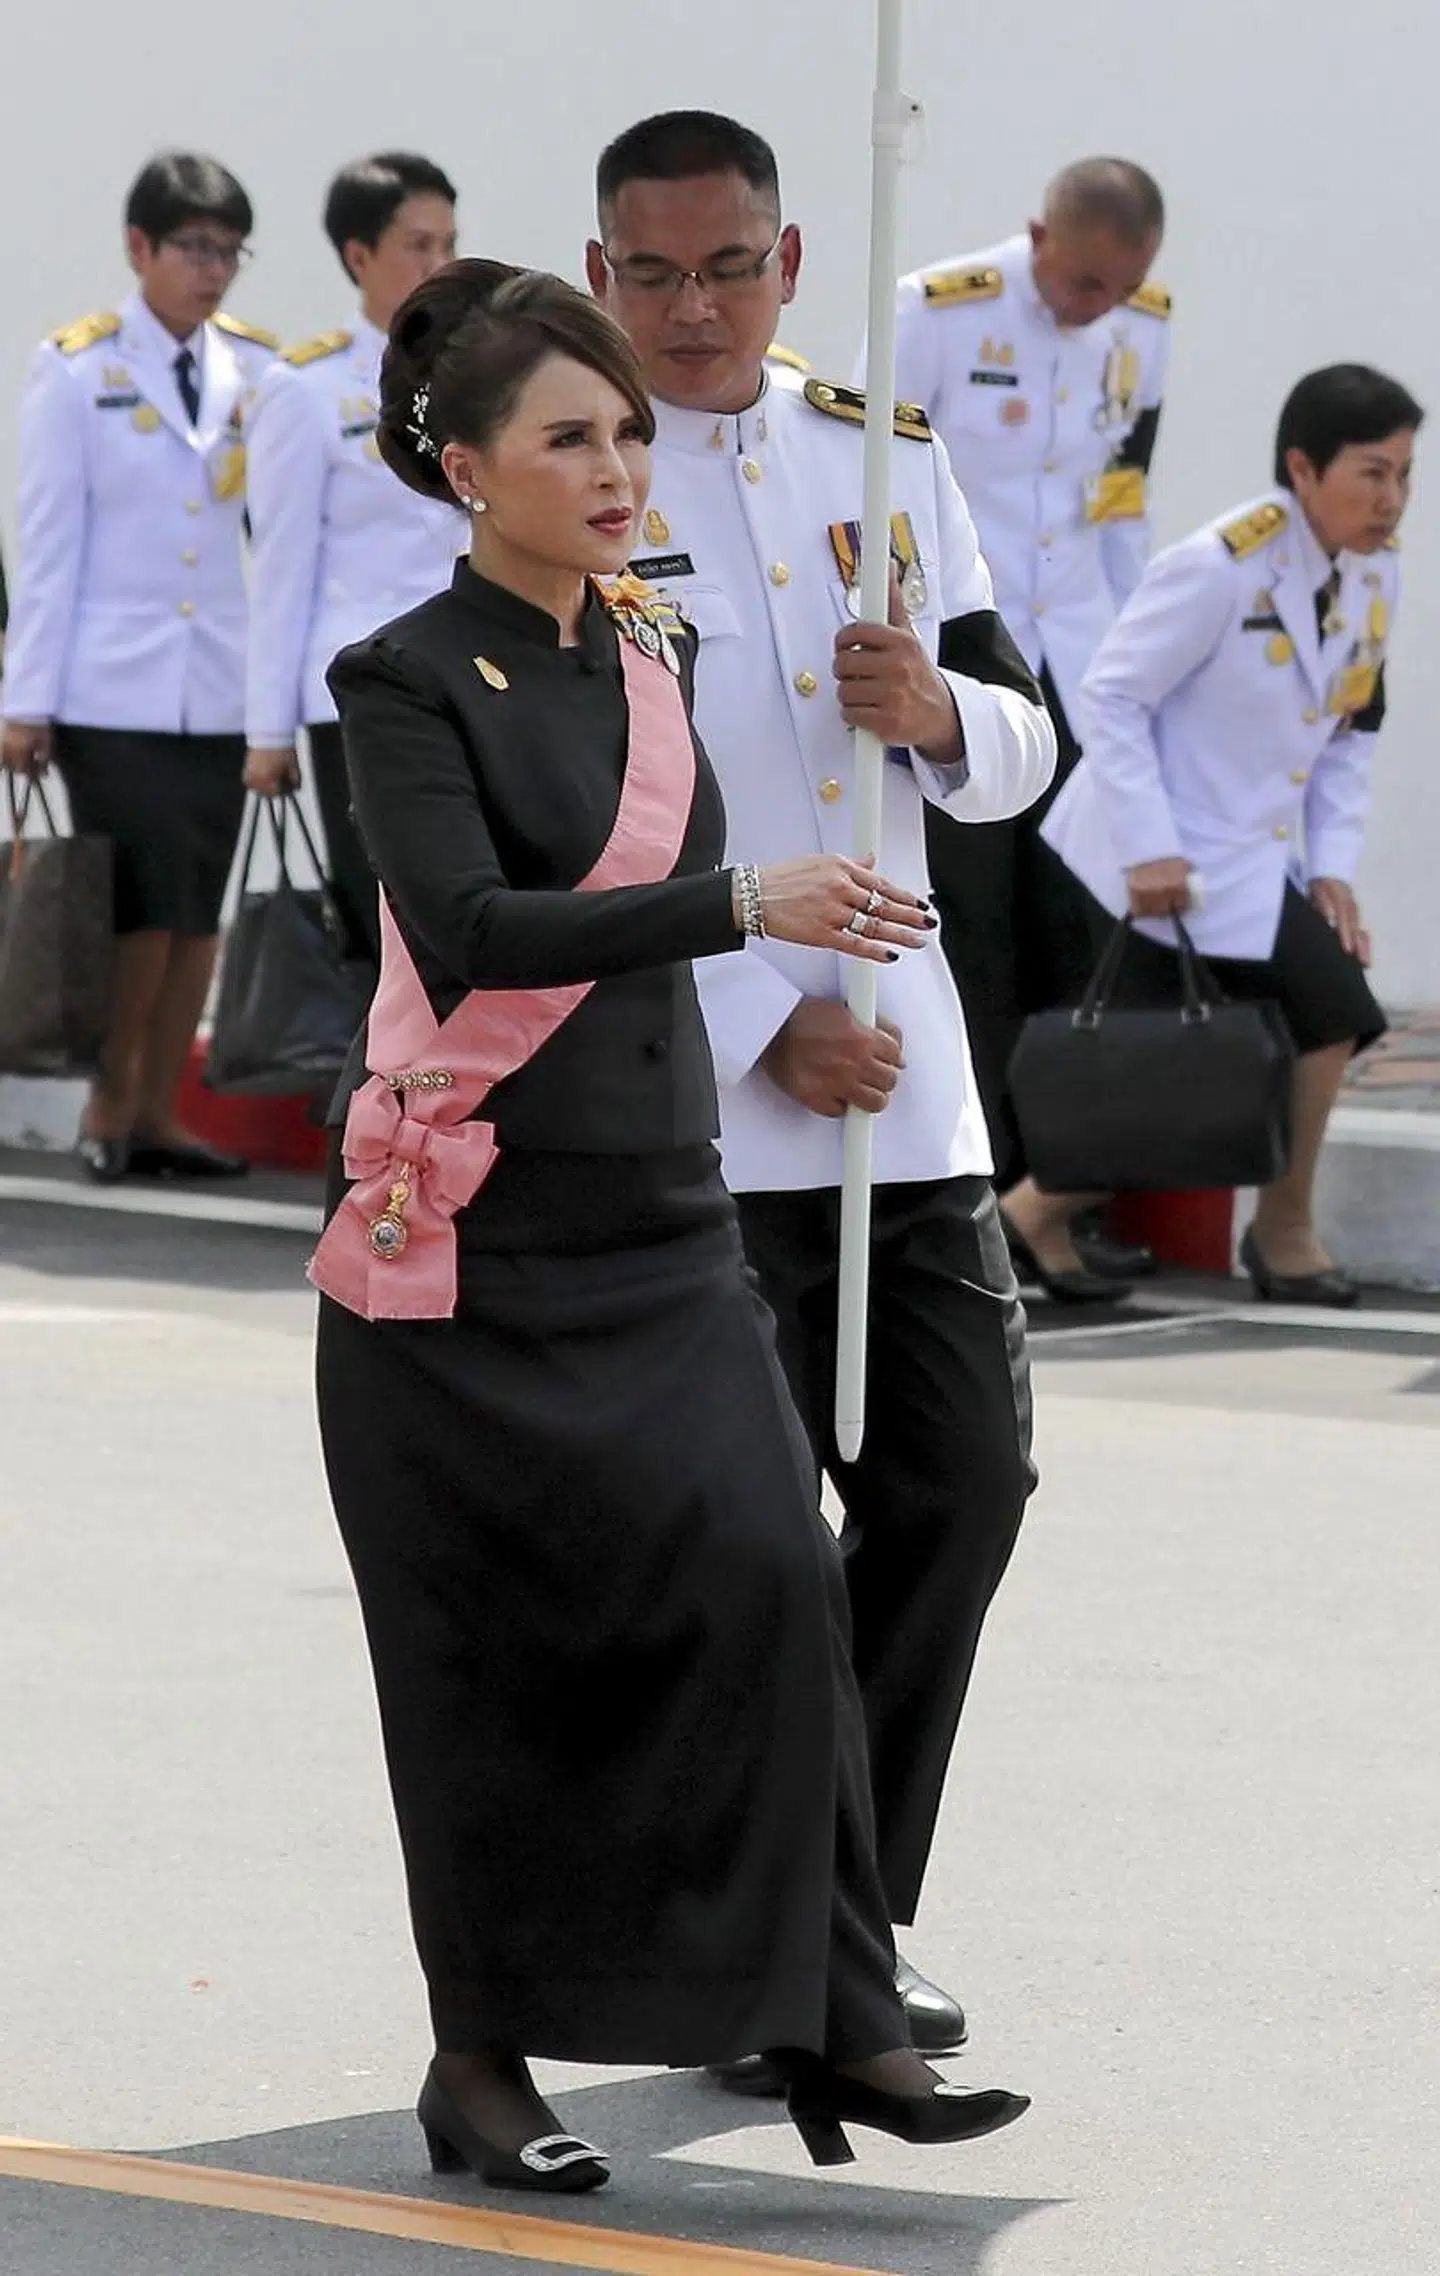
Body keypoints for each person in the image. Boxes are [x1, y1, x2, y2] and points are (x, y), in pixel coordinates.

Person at [311, 258, 1029, 2192]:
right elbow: (470, 934)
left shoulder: (650, 645)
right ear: (471, 471)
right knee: (488, 1665)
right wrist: (737, 909)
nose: (624, 465)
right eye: (574, 436)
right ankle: (483, 2065)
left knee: (775, 1583)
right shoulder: (397, 679)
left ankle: (837, 2009)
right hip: (470, 1245)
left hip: (660, 1224)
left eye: (630, 431)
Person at [586, 109, 1055, 2088]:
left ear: (788, 262)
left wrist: (936, 714)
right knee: (756, 1544)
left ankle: (835, 1915)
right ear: (601, 276)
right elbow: (566, 821)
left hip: (905, 1106)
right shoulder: (574, 476)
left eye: (731, 267)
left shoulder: (890, 455)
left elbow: (1030, 749)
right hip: (698, 1097)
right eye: (654, 274)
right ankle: (817, 1955)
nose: (695, 312)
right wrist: (753, 1017)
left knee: (961, 1479)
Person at [1042, 364, 1422, 1307]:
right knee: (1253, 1037)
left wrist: (1332, 871)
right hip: (1147, 852)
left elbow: (1350, 735)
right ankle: (1275, 1234)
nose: (1393, 498)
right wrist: (1149, 848)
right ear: (1302, 466)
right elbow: (1114, 696)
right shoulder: (1221, 564)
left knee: (1238, 1048)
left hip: (1246, 859)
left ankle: (1034, 1220)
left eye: (1406, 475)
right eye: (1372, 473)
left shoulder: (1375, 575)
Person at [862, 158, 1170, 1299]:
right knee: (976, 939)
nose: (1098, 306)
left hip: (1075, 667)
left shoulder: (1142, 332)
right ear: (1039, 234)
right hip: (962, 665)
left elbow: (1121, 505)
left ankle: (1049, 1194)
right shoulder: (933, 311)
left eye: (1120, 288)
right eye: (1085, 282)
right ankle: (979, 1200)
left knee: (1073, 937)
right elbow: (866, 486)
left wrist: (1131, 661)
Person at [0, 150, 276, 1182]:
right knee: (140, 904)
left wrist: (278, 705)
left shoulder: (254, 368)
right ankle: (111, 1107)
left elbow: (275, 536)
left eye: (229, 252)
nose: (213, 271)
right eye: (195, 248)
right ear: (141, 248)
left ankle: (159, 1110)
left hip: (217, 686)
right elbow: (49, 540)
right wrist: (24, 702)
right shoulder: (76, 368)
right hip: (107, 686)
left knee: (196, 907)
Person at [243, 152, 464, 964]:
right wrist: (267, 731)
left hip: (471, 678)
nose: (438, 264)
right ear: (359, 255)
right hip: (360, 690)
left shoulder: (480, 373)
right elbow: (281, 567)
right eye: (418, 245)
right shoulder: (305, 389)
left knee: (468, 918)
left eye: (448, 243)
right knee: (388, 934)